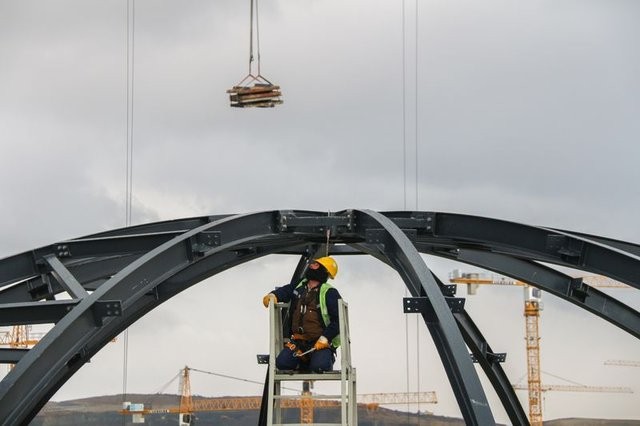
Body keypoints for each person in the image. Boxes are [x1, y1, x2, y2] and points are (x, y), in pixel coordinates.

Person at [262, 256, 342, 373]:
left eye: (316, 264)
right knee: (282, 363)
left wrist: (325, 338)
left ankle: (319, 360)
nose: (311, 265)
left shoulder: (329, 292)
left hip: (319, 344)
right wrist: (274, 295)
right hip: (298, 343)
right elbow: (287, 290)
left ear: (323, 270)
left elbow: (338, 320)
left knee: (320, 367)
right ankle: (304, 361)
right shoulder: (300, 286)